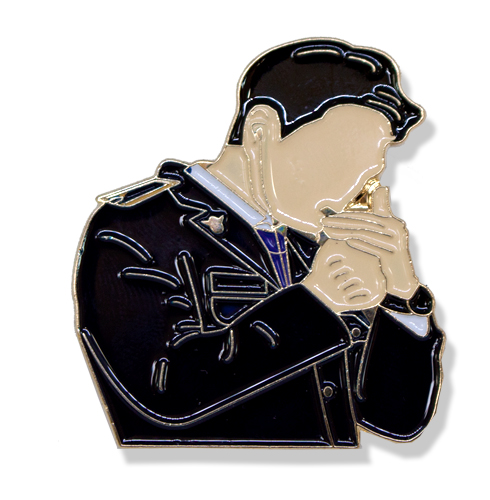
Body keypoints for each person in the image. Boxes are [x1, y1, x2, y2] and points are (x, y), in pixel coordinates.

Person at [75, 38, 444, 447]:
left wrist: (401, 298)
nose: (355, 190)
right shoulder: (136, 225)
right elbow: (162, 388)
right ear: (260, 132)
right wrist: (315, 303)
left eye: (369, 173)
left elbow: (393, 419)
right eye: (339, 159)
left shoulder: (309, 249)